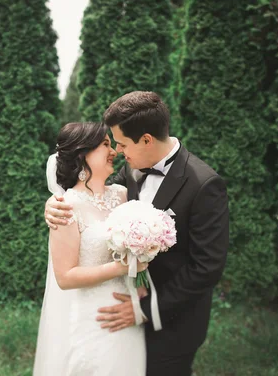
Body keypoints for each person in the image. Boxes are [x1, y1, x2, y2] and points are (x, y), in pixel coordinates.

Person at [44, 91, 229, 376]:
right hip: (115, 314)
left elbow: (207, 267)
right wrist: (53, 205)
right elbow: (92, 197)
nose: (117, 152)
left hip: (171, 321)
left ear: (146, 140)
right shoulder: (130, 172)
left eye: (121, 143)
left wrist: (144, 309)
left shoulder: (204, 184)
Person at [33, 122, 148, 376]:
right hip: (91, 318)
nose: (114, 151)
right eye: (106, 144)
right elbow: (65, 277)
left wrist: (140, 285)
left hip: (126, 311)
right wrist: (121, 267)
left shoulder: (122, 195)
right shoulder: (66, 206)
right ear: (83, 155)